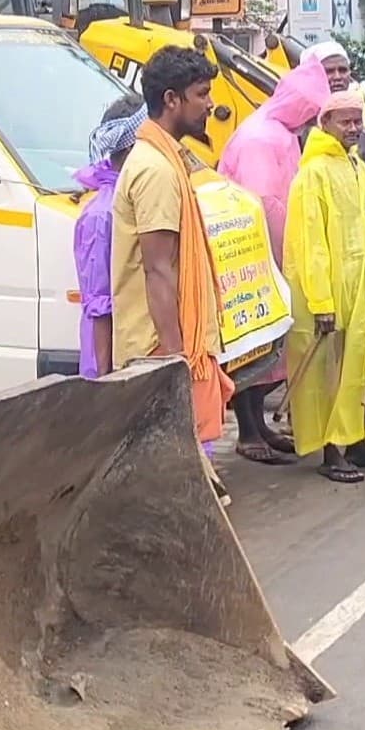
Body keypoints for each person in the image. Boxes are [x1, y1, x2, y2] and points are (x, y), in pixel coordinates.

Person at [111, 45, 232, 449]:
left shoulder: (167, 159)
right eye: (201, 94)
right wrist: (176, 360)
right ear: (171, 99)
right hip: (159, 347)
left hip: (164, 344)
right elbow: (157, 268)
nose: (210, 105)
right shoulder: (156, 169)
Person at [217, 52, 331, 462]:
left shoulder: (278, 132)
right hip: (256, 257)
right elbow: (267, 206)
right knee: (256, 347)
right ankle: (248, 432)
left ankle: (259, 428)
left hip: (269, 255)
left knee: (270, 349)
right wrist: (286, 258)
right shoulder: (261, 139)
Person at [283, 90, 365, 482]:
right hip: (331, 292)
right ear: (324, 125)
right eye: (344, 121)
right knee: (332, 374)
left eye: (356, 120)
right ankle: (333, 450)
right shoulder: (312, 175)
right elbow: (309, 244)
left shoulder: (358, 167)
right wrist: (321, 300)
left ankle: (359, 440)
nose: (353, 128)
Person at [73, 94, 146, 378]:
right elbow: (100, 304)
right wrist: (106, 384)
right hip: (113, 362)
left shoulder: (129, 196)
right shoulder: (102, 215)